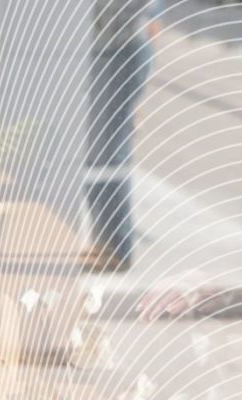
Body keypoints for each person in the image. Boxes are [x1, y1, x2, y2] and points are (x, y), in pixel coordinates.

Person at [81, 0, 161, 272]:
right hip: (109, 49)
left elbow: (144, 13)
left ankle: (116, 247)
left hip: (120, 50)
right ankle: (105, 241)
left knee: (108, 152)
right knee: (98, 150)